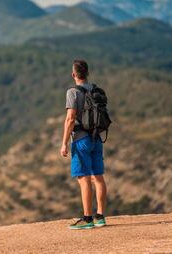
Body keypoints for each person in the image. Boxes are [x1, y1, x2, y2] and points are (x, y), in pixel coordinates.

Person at [60, 59, 107, 230]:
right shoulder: (95, 90)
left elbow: (70, 118)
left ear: (73, 74)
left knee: (84, 178)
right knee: (98, 176)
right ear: (87, 73)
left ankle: (87, 219)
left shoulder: (72, 92)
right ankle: (100, 216)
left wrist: (64, 143)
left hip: (80, 140)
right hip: (97, 138)